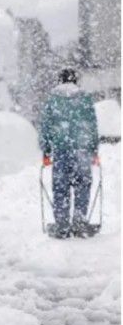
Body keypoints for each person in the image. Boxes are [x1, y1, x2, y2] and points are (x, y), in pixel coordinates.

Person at [39, 68, 100, 239]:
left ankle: (62, 225)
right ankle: (80, 223)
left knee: (60, 188)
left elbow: (46, 125)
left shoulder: (53, 100)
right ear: (75, 80)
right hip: (82, 150)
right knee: (82, 186)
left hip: (61, 150)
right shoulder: (85, 98)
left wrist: (46, 150)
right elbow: (91, 125)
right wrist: (94, 150)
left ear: (60, 80)